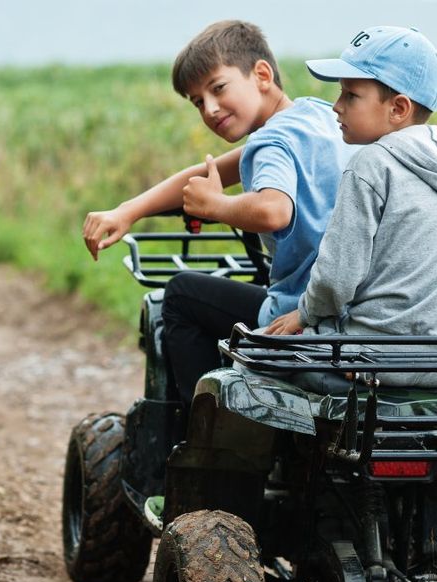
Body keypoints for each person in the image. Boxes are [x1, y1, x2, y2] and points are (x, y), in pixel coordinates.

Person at [82, 20, 357, 407]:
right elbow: (207, 174)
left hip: (300, 308)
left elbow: (273, 210)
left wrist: (218, 206)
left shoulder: (270, 140)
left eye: (218, 88)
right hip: (353, 303)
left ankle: (202, 431)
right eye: (197, 101)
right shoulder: (321, 117)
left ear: (261, 74)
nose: (209, 109)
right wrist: (129, 210)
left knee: (180, 295)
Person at [273, 26, 437, 386]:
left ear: (398, 109)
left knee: (255, 357)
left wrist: (304, 313)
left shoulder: (371, 164)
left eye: (350, 95)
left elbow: (337, 275)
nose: (337, 106)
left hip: (376, 356)